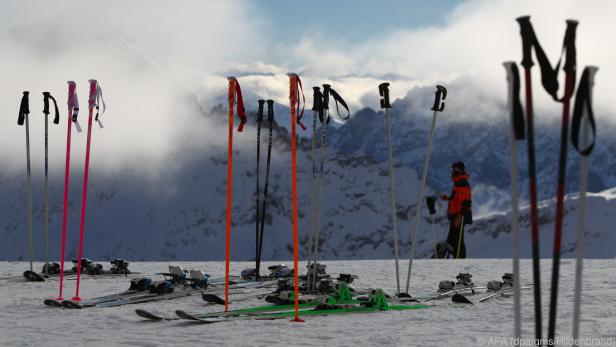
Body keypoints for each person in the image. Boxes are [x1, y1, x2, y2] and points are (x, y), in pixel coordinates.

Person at [440, 161, 473, 259]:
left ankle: (459, 260)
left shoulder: (462, 183)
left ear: (457, 170)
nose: (452, 172)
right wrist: (448, 198)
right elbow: (458, 199)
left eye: (453, 169)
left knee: (457, 239)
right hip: (457, 214)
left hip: (459, 215)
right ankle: (455, 258)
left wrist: (460, 216)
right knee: (453, 238)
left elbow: (466, 202)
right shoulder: (458, 182)